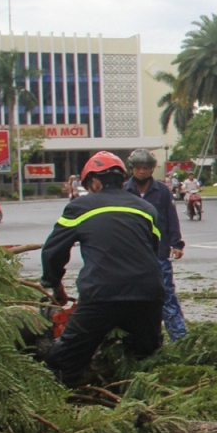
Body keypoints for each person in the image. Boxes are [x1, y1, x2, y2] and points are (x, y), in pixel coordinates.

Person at [40, 152, 165, 386]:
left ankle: (68, 405)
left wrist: (54, 285)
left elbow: (52, 252)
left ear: (94, 182)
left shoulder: (79, 207)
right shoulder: (147, 209)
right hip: (148, 294)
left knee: (65, 358)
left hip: (102, 294)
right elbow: (153, 250)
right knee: (146, 358)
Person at [125, 148, 187, 341]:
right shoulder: (124, 192)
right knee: (133, 298)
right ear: (132, 169)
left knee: (166, 294)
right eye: (138, 168)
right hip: (132, 255)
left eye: (146, 168)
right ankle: (142, 337)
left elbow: (170, 218)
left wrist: (176, 244)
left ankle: (180, 338)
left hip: (159, 252)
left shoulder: (162, 191)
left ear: (152, 169)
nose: (141, 171)